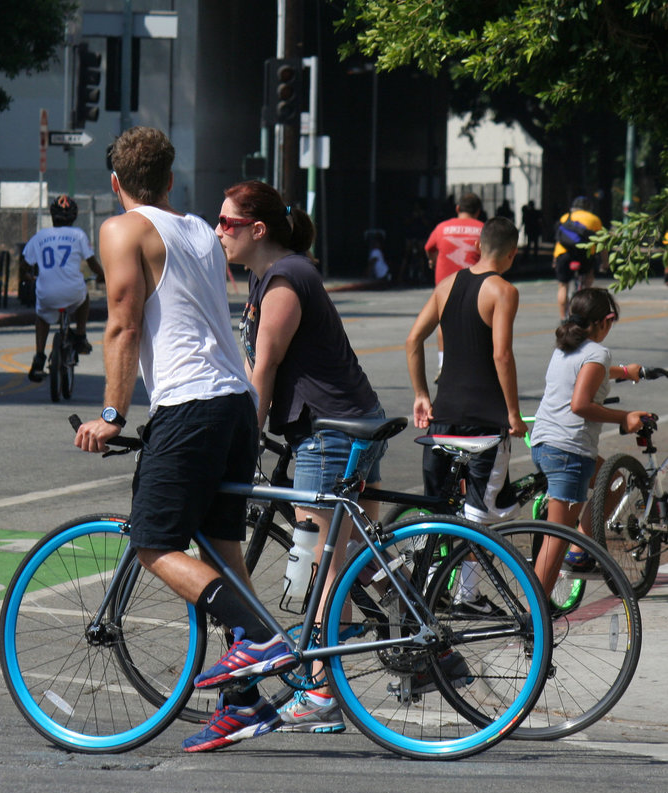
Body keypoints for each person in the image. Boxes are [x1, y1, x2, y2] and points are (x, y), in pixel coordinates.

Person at [74, 128, 298, 754]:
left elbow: (123, 321)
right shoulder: (199, 228)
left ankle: (261, 636)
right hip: (233, 407)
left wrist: (113, 413)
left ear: (117, 184)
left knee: (153, 542)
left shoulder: (124, 229)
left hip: (190, 404)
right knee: (224, 550)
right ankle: (244, 702)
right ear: (171, 181)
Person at [216, 180, 387, 734]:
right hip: (336, 426)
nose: (219, 231)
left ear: (257, 230)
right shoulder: (270, 275)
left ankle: (317, 690)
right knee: (357, 561)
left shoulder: (286, 280)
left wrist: (243, 442)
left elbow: (262, 371)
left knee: (324, 568)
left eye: (228, 223)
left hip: (330, 433)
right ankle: (435, 653)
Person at [406, 217, 527, 613]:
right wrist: (513, 413)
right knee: (479, 513)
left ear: (478, 244)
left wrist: (422, 394)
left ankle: (425, 589)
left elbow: (412, 340)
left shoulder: (446, 286)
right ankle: (468, 597)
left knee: (439, 510)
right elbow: (502, 355)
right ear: (511, 253)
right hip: (484, 421)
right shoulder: (503, 290)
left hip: (444, 417)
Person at [529, 288, 650, 594]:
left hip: (545, 444)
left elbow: (590, 372)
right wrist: (625, 417)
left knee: (615, 484)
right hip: (568, 450)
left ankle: (581, 551)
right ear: (604, 321)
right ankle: (533, 619)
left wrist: (624, 372)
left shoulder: (566, 347)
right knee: (556, 538)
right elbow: (580, 404)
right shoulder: (597, 352)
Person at [23, 194, 104, 382]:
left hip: (46, 293)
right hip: (72, 291)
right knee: (84, 297)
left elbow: (24, 266)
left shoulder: (40, 236)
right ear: (74, 217)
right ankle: (81, 336)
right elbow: (92, 262)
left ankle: (39, 357)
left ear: (52, 216)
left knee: (42, 318)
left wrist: (30, 277)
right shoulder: (78, 235)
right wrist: (103, 276)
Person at [424, 192, 484, 381]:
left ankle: (443, 365)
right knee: (476, 325)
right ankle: (474, 367)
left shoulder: (442, 228)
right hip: (474, 283)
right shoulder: (483, 229)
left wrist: (433, 261)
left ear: (458, 209)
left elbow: (429, 248)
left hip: (445, 284)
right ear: (478, 211)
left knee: (444, 323)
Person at [553, 195, 605, 322]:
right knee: (587, 280)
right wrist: (605, 262)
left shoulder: (565, 218)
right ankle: (583, 313)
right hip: (585, 254)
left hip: (564, 253)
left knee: (563, 285)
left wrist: (555, 259)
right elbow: (602, 243)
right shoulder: (594, 219)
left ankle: (562, 317)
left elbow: (559, 238)